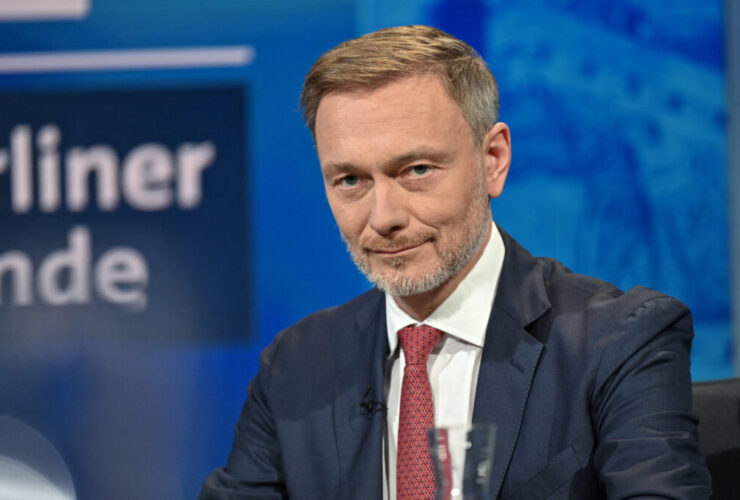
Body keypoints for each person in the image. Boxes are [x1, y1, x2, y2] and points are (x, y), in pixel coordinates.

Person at [199, 25, 711, 499]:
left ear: (493, 160)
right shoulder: (297, 366)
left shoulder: (618, 340)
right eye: (350, 180)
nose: (383, 218)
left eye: (417, 170)